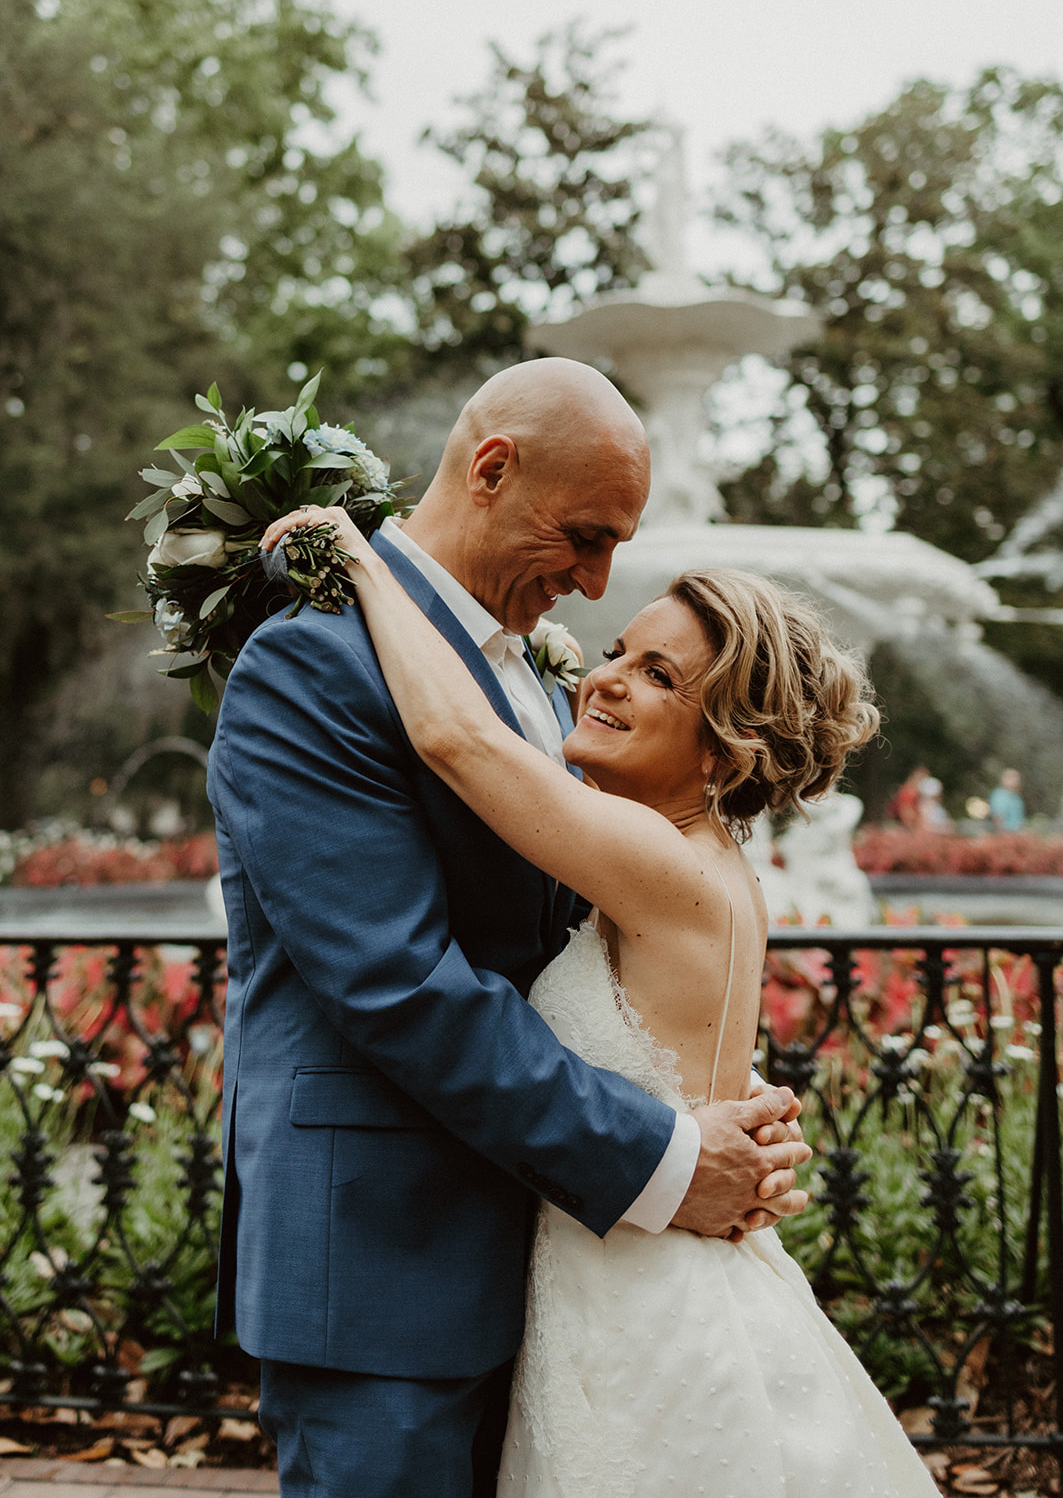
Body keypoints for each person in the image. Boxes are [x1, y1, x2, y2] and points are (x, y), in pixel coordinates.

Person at [208, 358, 810, 1498]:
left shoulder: (533, 681)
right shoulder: (312, 665)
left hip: (548, 1261)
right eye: (583, 536)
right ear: (491, 469)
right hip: (388, 1265)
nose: (591, 585)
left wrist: (708, 1104)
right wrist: (668, 1154)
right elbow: (400, 986)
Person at [268, 500, 938, 1497]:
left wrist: (364, 564)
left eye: (657, 676)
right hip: (638, 1273)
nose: (603, 678)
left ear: (722, 746)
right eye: (619, 650)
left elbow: (453, 737)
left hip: (641, 1311)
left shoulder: (656, 860)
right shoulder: (701, 864)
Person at [989, 767, 1025, 832]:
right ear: (1004, 780)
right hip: (1006, 834)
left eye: (1017, 777)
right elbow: (998, 817)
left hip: (1016, 834)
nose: (1016, 780)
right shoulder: (1000, 795)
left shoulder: (1016, 796)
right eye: (1013, 777)